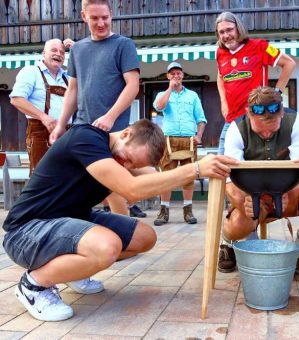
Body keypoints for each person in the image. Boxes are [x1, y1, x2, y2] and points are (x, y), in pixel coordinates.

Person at [3, 119, 237, 322]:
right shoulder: (87, 139)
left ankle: (72, 271)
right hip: (27, 230)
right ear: (125, 134)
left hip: (68, 221)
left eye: (133, 166)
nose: (125, 166)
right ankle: (33, 285)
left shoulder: (117, 157)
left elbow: (155, 179)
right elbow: (132, 189)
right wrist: (196, 169)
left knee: (144, 237)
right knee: (106, 246)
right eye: (127, 159)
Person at [218, 86, 299, 282]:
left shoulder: (295, 122)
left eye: (272, 129)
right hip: (250, 195)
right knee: (238, 223)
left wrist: (289, 188)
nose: (266, 135)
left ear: (281, 114)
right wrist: (244, 203)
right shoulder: (235, 130)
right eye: (259, 130)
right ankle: (227, 244)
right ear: (248, 115)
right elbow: (229, 182)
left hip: (289, 192)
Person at [49, 0, 145, 218]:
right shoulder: (78, 50)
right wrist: (61, 125)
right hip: (83, 128)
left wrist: (110, 117)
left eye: (105, 17)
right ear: (84, 17)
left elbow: (133, 85)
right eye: (94, 18)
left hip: (114, 129)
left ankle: (125, 232)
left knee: (112, 186)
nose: (101, 23)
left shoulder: (123, 45)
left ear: (111, 14)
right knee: (83, 181)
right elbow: (72, 90)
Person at [215, 11, 296, 155]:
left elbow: (289, 63)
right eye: (221, 32)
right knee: (221, 165)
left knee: (257, 166)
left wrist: (277, 93)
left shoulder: (260, 46)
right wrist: (223, 102)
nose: (226, 35)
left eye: (229, 30)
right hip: (232, 120)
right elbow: (220, 77)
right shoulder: (220, 53)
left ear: (238, 28)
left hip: (258, 119)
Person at [152, 61, 207, 226]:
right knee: (166, 176)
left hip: (189, 140)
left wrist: (199, 135)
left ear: (182, 75)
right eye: (172, 73)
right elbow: (159, 106)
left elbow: (201, 118)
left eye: (178, 73)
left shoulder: (192, 96)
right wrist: (170, 88)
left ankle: (188, 211)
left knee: (189, 176)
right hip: (169, 139)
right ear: (168, 76)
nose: (176, 76)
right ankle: (163, 211)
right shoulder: (163, 93)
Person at [10, 39, 70, 174]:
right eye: (54, 50)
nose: (59, 54)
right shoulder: (31, 71)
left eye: (62, 52)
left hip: (67, 134)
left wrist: (78, 49)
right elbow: (16, 99)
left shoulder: (68, 77)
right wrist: (44, 117)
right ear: (43, 53)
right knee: (42, 180)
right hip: (41, 133)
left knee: (67, 179)